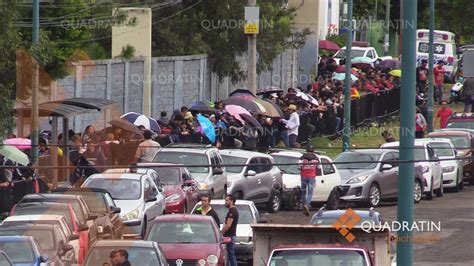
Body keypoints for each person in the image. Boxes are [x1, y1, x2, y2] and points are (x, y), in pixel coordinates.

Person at [299, 145, 319, 216]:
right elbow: (318, 167)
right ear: (313, 150)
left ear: (306, 150)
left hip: (303, 176)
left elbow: (299, 166)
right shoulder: (316, 158)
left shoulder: (302, 157)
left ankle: (303, 205)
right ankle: (307, 205)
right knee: (310, 192)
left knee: (303, 192)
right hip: (311, 177)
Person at [221, 194, 239, 266]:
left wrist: (221, 232)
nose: (225, 202)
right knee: (228, 255)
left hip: (230, 236)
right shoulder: (232, 211)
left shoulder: (232, 211)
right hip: (230, 236)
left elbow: (228, 225)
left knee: (231, 255)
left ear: (231, 201)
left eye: (227, 200)